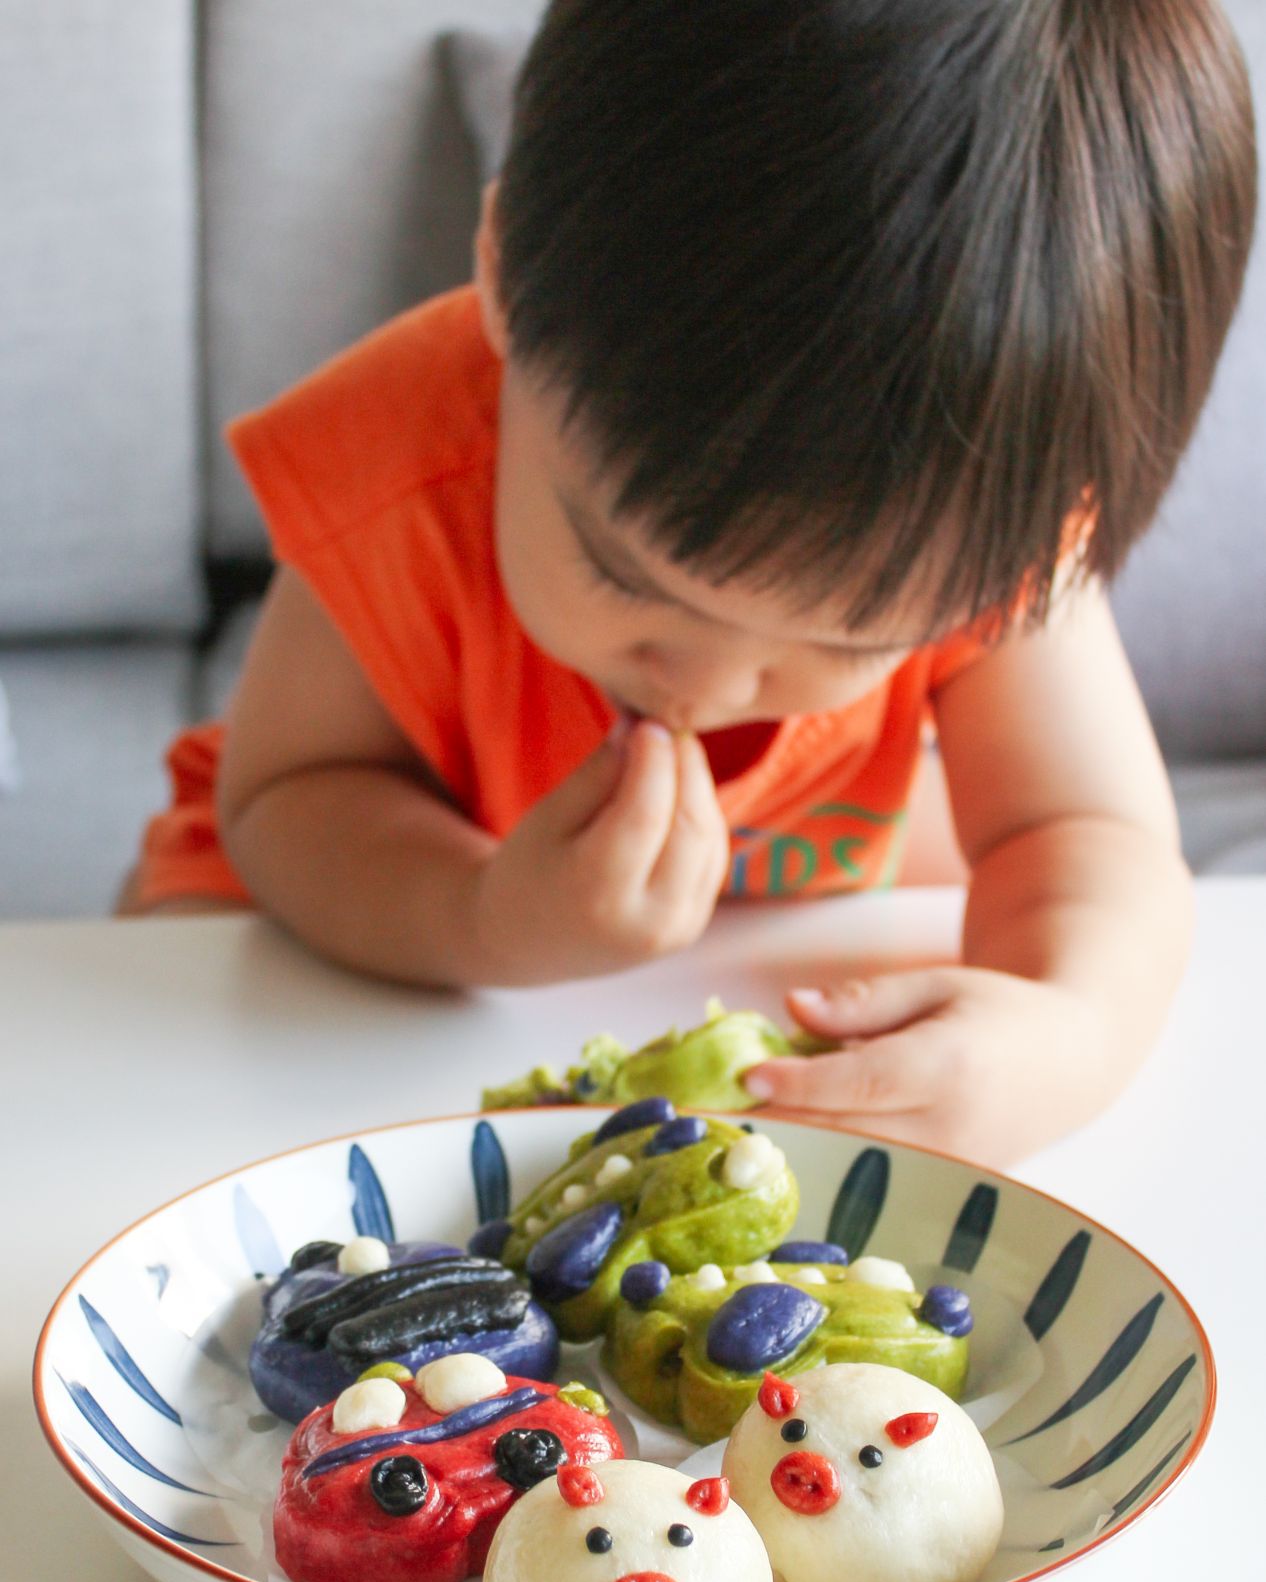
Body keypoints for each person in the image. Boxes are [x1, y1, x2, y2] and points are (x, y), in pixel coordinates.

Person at [123, 0, 1257, 1166]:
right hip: (382, 901)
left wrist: (1071, 1030)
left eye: (850, 637)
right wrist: (488, 915)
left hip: (780, 927)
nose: (711, 683)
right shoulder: (401, 465)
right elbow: (289, 798)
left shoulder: (992, 520)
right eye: (624, 572)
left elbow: (1091, 830)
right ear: (505, 277)